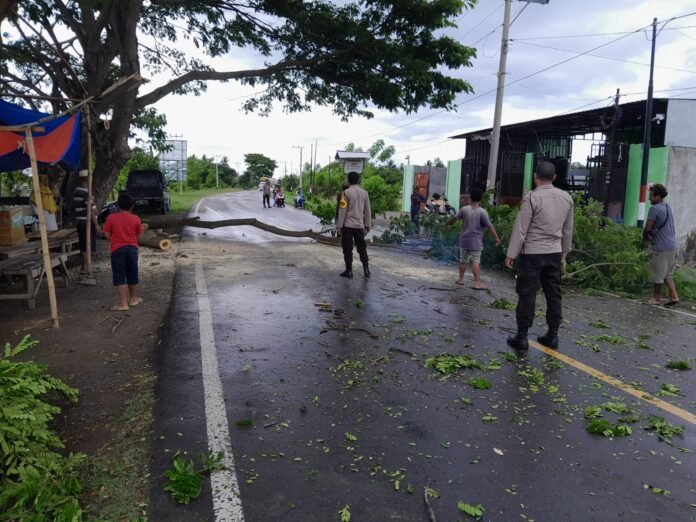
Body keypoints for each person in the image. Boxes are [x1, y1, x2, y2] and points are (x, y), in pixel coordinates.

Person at [505, 161, 574, 350]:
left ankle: (522, 336)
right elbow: (568, 228)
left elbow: (521, 229)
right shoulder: (566, 198)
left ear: (535, 176)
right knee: (554, 294)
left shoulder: (531, 198)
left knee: (527, 293)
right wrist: (565, 250)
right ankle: (552, 335)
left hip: (533, 254)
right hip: (554, 253)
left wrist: (511, 253)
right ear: (554, 177)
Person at [445, 187, 501, 289]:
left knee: (463, 260)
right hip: (476, 241)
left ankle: (461, 280)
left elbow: (454, 219)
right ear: (480, 199)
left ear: (470, 198)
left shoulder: (464, 209)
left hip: (464, 240)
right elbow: (489, 226)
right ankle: (477, 283)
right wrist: (497, 238)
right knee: (475, 261)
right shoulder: (482, 212)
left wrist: (446, 224)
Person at [103, 193, 144, 311]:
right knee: (132, 272)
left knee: (119, 274)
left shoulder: (111, 217)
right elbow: (139, 236)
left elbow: (106, 235)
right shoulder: (136, 218)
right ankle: (133, 299)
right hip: (132, 249)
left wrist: (115, 239)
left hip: (117, 250)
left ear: (118, 205)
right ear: (132, 206)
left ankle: (123, 303)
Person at [643, 183, 679, 306]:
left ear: (658, 196)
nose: (649, 198)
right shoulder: (667, 207)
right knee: (668, 274)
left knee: (658, 273)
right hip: (672, 245)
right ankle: (674, 296)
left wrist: (645, 240)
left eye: (651, 196)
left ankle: (656, 298)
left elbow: (648, 228)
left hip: (661, 246)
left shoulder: (654, 209)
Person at [336, 172, 372, 278]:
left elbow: (342, 211)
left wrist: (339, 226)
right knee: (362, 248)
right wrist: (367, 225)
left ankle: (349, 270)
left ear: (348, 181)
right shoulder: (364, 193)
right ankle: (366, 269)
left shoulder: (346, 193)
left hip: (347, 226)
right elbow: (367, 210)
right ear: (358, 180)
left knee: (347, 249)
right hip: (359, 225)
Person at [73, 169, 101, 274]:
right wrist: (97, 225)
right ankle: (87, 267)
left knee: (84, 244)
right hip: (86, 222)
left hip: (81, 221)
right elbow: (90, 210)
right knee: (87, 245)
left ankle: (84, 267)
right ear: (86, 179)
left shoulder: (77, 190)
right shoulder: (85, 192)